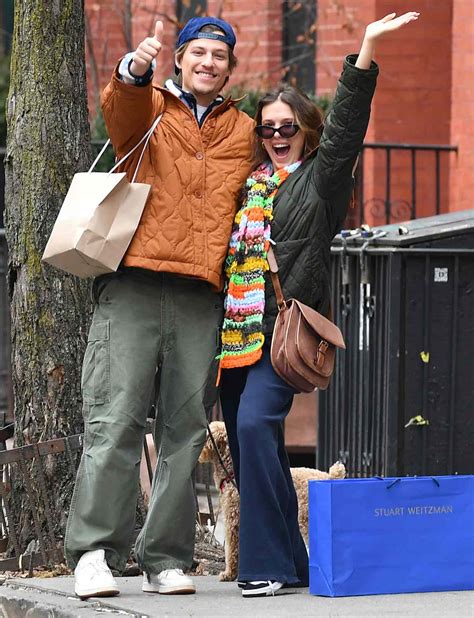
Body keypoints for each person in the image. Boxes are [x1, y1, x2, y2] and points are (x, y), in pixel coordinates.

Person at [218, 11, 420, 598]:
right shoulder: (250, 184)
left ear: (307, 129)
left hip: (279, 335)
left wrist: (366, 48)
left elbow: (348, 129)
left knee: (255, 427)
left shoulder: (321, 180)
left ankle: (265, 565)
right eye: (267, 127)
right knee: (255, 447)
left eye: (287, 126)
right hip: (233, 334)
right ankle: (294, 563)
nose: (276, 134)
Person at [65, 16, 254, 599]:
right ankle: (94, 552)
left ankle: (166, 557)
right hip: (135, 282)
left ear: (229, 67)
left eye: (219, 55)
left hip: (202, 291)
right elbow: (118, 114)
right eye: (198, 51)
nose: (208, 62)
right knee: (116, 419)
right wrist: (133, 69)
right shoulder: (150, 104)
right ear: (179, 59)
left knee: (185, 430)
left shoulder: (244, 129)